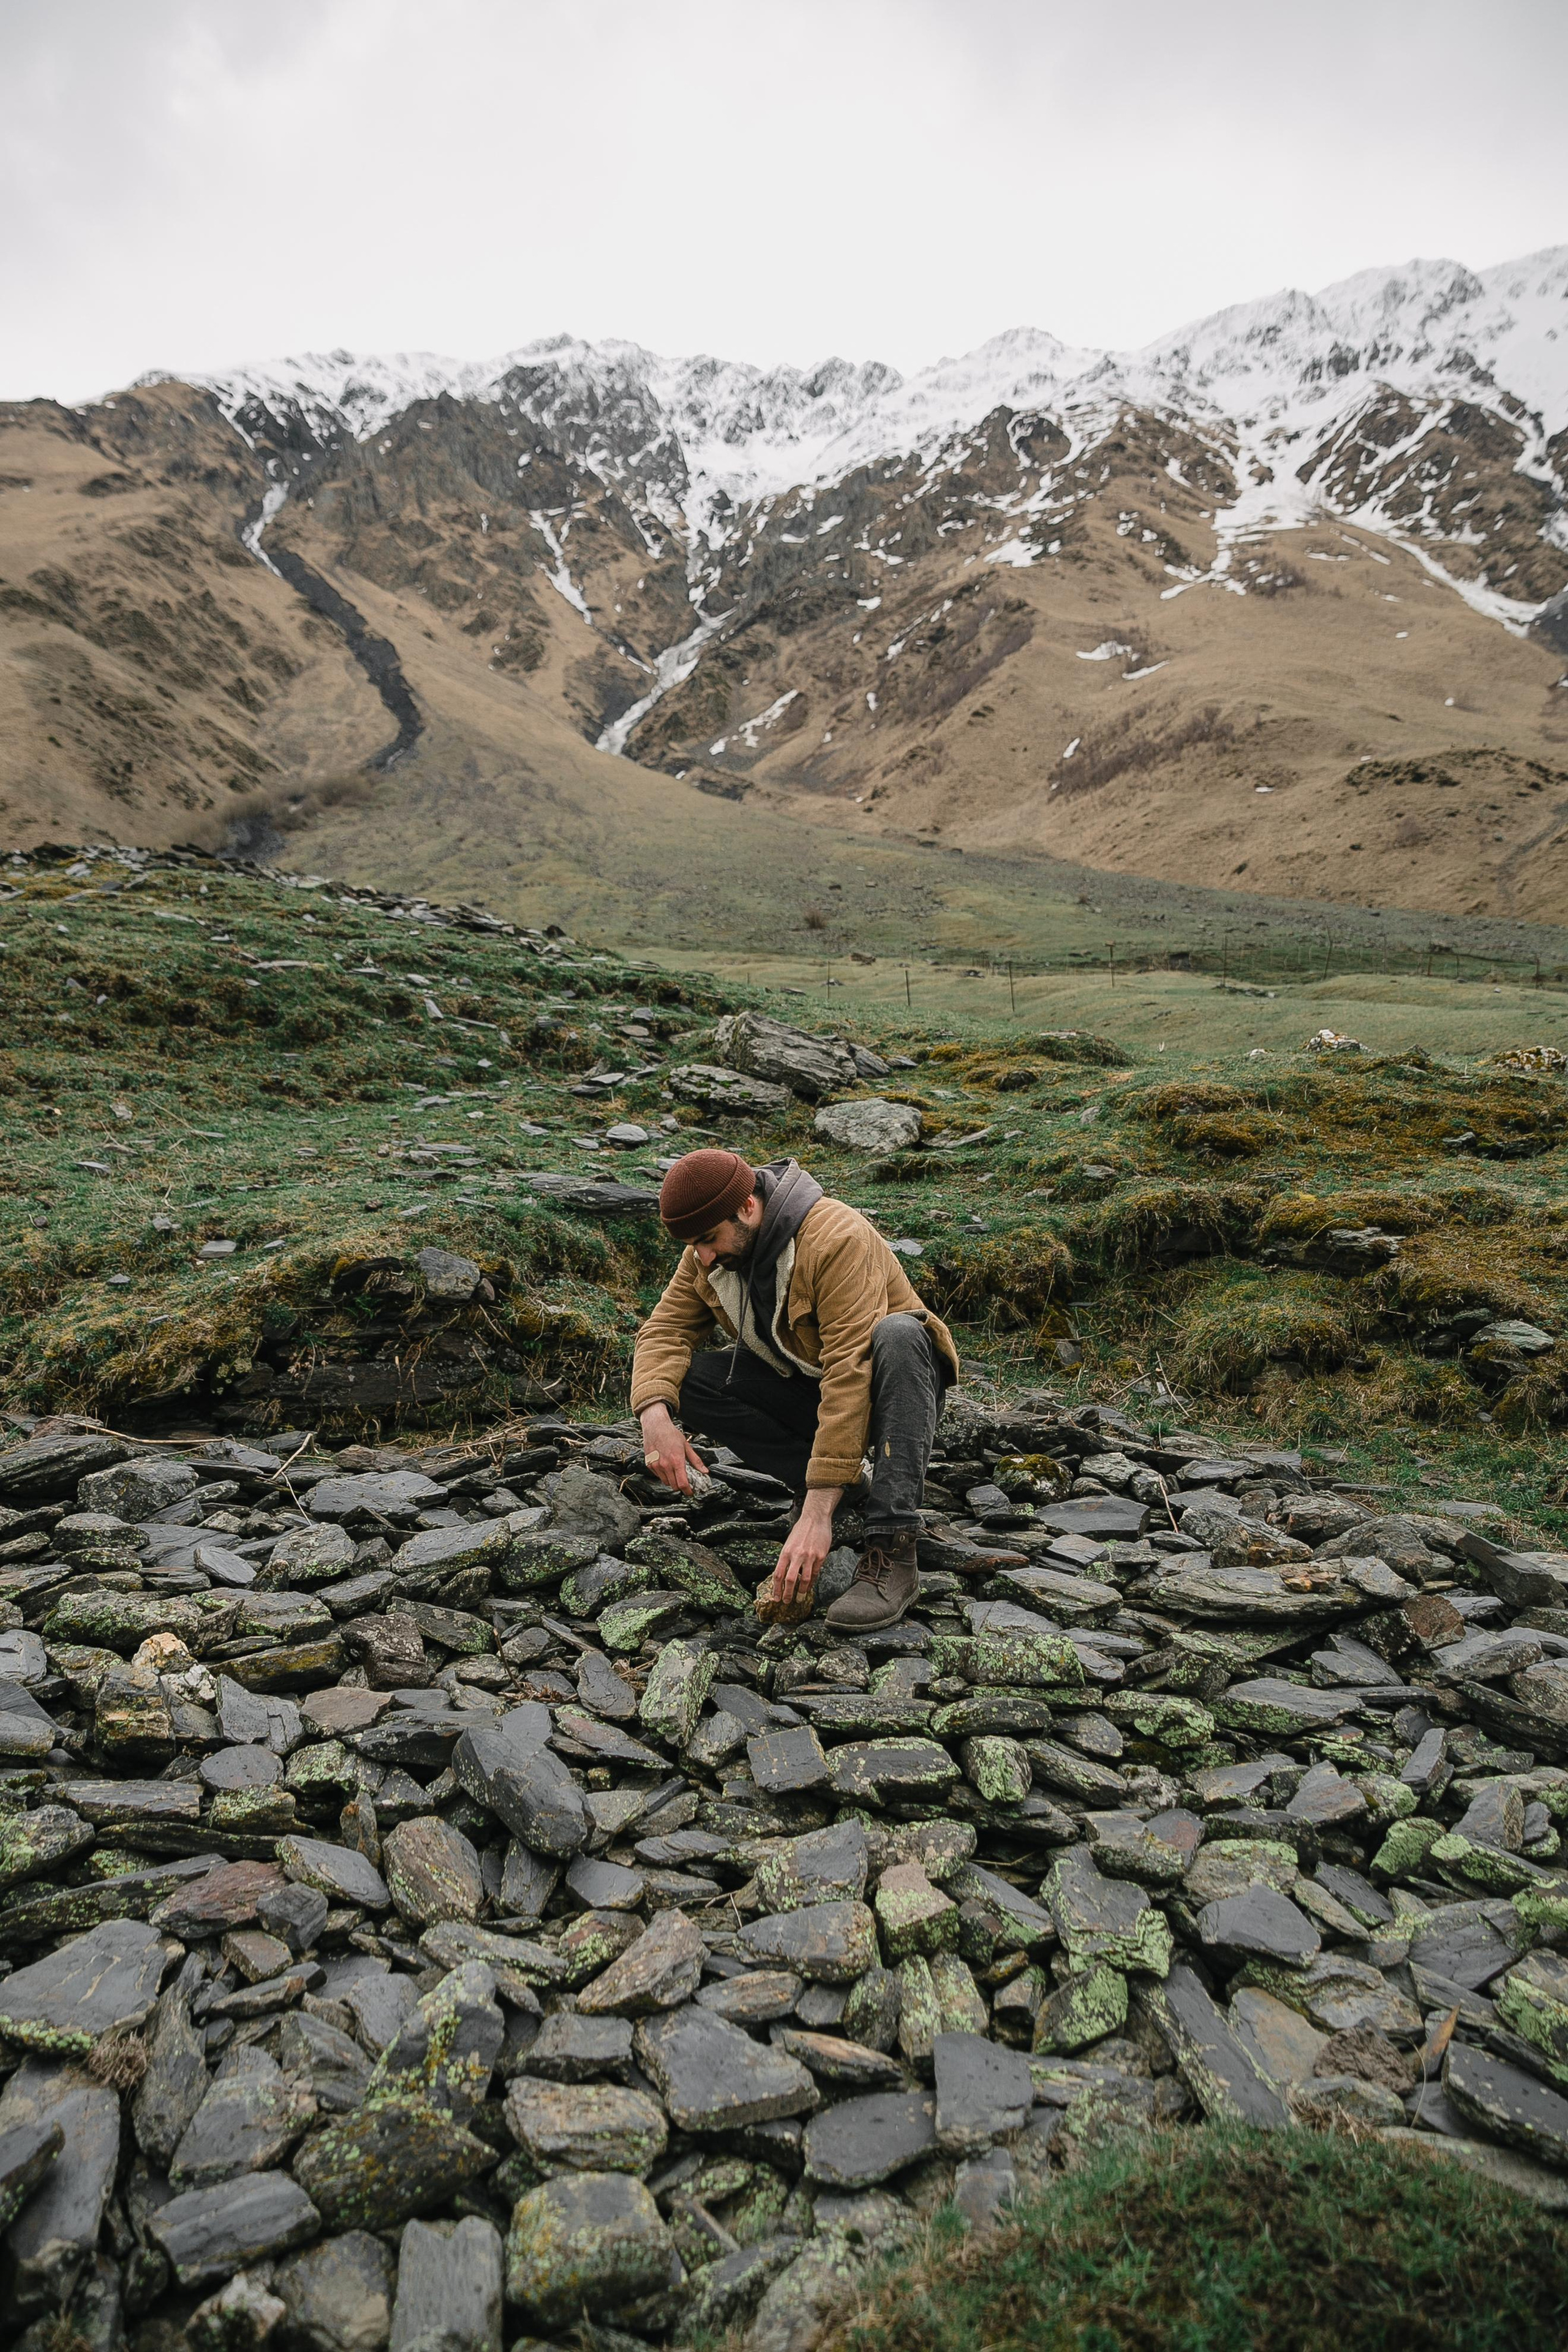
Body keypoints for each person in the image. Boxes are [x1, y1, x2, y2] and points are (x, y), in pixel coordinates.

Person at [630, 1145, 959, 1631]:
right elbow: (663, 1332)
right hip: (809, 1388)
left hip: (887, 1396)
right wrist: (655, 1417)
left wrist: (817, 1512)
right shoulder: (708, 1254)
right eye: (693, 1245)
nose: (701, 1256)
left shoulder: (836, 1237)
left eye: (708, 1239)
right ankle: (850, 1486)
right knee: (691, 1379)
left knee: (902, 1334)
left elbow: (852, 1371)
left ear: (747, 1206)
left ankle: (893, 1548)